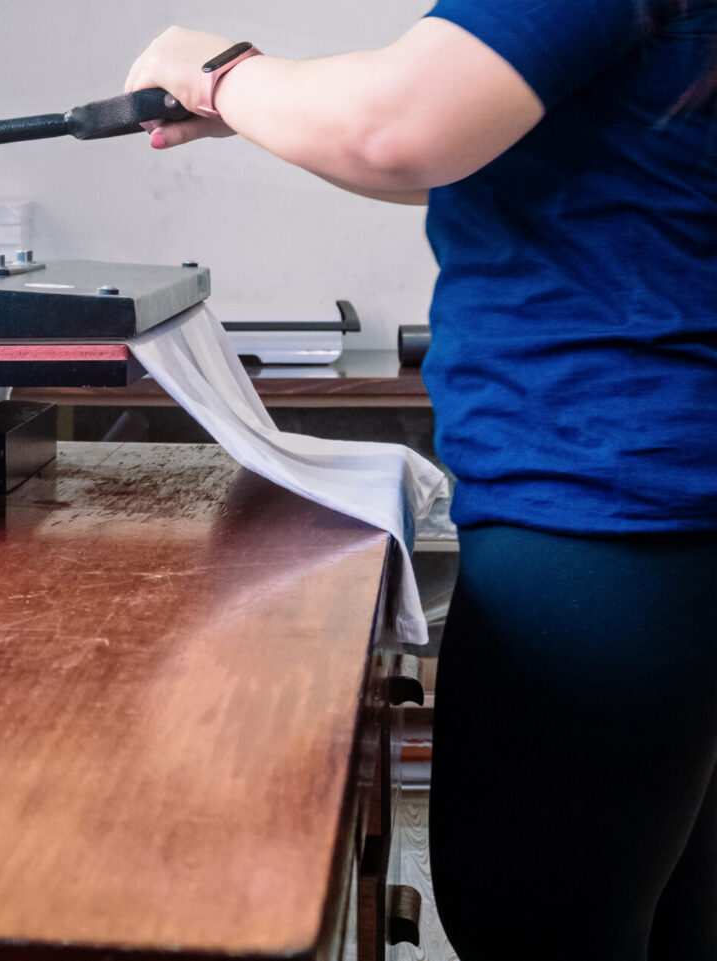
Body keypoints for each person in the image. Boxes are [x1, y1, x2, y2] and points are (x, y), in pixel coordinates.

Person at [123, 4, 717, 959]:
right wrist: (266, 101)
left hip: (608, 503)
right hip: (655, 498)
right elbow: (488, 136)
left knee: (533, 924)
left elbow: (399, 129)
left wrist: (217, 69)